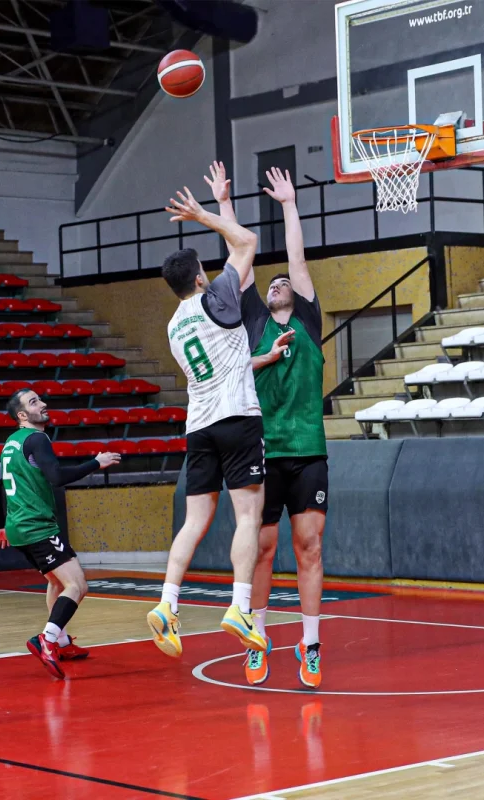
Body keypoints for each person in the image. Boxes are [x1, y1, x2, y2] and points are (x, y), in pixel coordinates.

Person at [209, 162, 328, 688]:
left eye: (285, 282)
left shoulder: (306, 319)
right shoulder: (254, 321)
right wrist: (225, 205)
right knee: (261, 549)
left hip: (308, 448)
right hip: (264, 447)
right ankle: (258, 637)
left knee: (310, 547)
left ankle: (311, 642)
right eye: (273, 282)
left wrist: (288, 205)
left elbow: (296, 259)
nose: (280, 283)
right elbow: (241, 256)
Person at [147, 182, 269, 659]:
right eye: (205, 269)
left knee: (194, 520)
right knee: (247, 515)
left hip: (198, 425)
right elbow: (247, 243)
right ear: (200, 278)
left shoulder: (174, 325)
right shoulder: (216, 297)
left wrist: (219, 206)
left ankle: (167, 602)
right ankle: (240, 605)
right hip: (237, 416)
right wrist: (204, 214)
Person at [0, 388, 120, 679]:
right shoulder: (37, 439)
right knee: (78, 585)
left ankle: (60, 642)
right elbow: (57, 477)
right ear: (22, 415)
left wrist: (0, 524)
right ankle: (46, 639)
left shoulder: (12, 442)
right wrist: (96, 463)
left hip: (19, 528)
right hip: (37, 526)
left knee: (56, 582)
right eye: (34, 402)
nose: (43, 404)